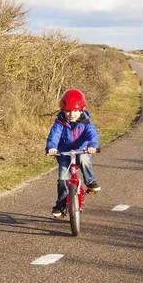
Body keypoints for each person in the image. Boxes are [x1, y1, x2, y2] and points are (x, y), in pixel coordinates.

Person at [46, 89, 101, 217]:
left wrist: (93, 146)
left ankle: (90, 182)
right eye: (68, 111)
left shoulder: (86, 123)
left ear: (81, 110)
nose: (72, 114)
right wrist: (51, 147)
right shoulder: (59, 124)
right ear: (63, 111)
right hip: (64, 154)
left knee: (84, 159)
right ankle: (60, 205)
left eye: (75, 111)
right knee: (62, 180)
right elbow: (53, 136)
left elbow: (92, 135)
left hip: (82, 150)